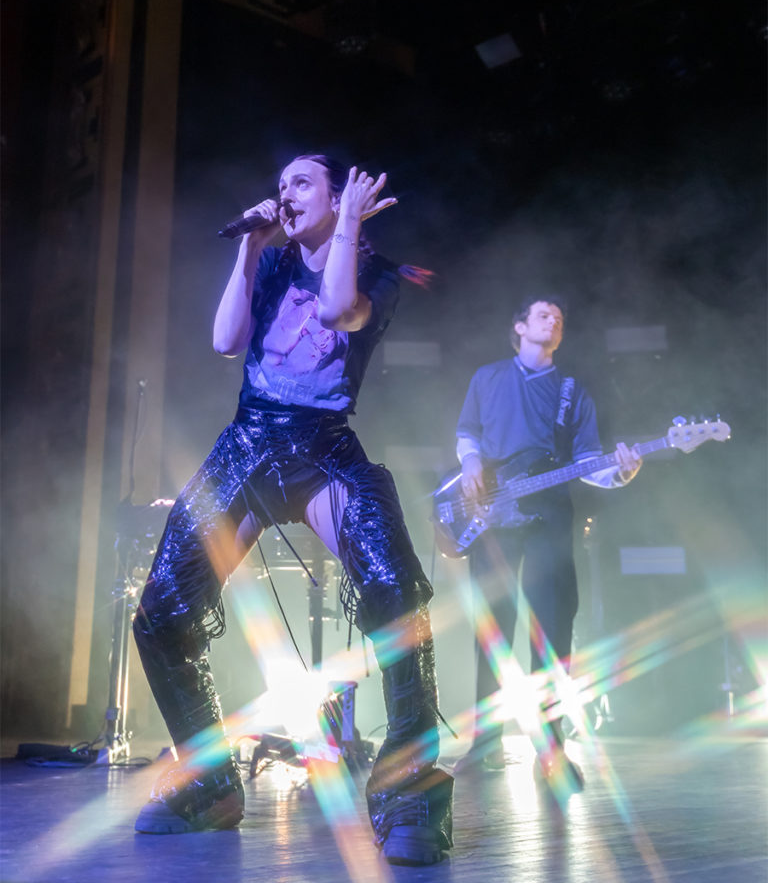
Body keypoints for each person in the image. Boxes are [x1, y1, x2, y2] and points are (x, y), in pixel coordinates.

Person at [132, 155, 453, 866]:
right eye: (280, 184)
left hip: (323, 449)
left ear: (341, 199)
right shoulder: (272, 264)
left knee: (398, 596)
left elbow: (339, 311)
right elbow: (223, 341)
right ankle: (211, 784)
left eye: (302, 182)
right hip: (248, 443)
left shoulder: (377, 274)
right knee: (160, 613)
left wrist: (343, 230)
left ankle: (411, 793)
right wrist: (250, 247)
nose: (284, 192)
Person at [454, 297, 642, 785]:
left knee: (553, 633)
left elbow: (589, 462)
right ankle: (485, 744)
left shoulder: (572, 391)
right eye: (543, 314)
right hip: (493, 517)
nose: (555, 319)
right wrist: (471, 463)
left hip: (550, 520)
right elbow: (467, 432)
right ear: (518, 326)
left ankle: (553, 748)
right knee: (492, 633)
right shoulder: (487, 377)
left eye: (560, 316)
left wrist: (621, 474)